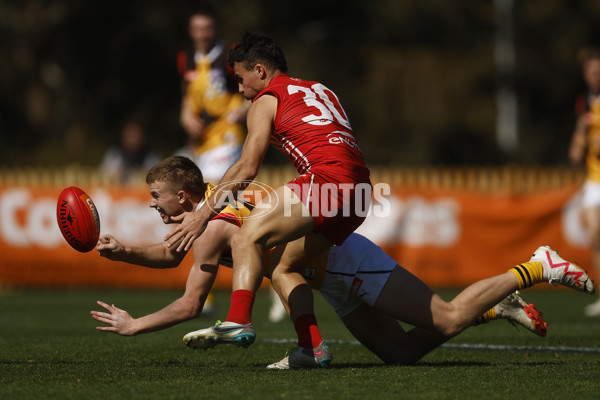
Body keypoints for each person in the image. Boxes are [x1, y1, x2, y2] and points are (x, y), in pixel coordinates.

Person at [89, 156, 594, 369]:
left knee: (445, 317)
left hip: (344, 262)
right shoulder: (214, 212)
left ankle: (536, 266)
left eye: (157, 196)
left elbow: (191, 304)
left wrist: (136, 325)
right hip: (327, 271)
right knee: (400, 355)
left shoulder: (210, 226)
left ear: (183, 195)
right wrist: (124, 251)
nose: (153, 204)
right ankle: (496, 307)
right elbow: (169, 253)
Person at [164, 31, 372, 362]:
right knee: (281, 266)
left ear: (260, 71)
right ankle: (312, 347)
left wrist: (203, 216)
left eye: (241, 79)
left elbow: (247, 168)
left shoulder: (265, 99)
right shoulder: (318, 88)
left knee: (247, 237)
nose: (240, 89)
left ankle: (238, 320)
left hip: (326, 180)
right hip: (361, 192)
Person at [176, 6, 248, 184]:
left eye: (208, 28)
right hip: (201, 140)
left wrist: (244, 109)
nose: (203, 34)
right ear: (191, 31)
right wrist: (185, 115)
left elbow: (253, 87)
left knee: (210, 189)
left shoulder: (230, 55)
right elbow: (186, 91)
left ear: (216, 28)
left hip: (227, 135)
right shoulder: (186, 58)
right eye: (198, 29)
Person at [568, 48, 600, 317]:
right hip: (594, 180)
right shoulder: (585, 102)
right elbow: (576, 153)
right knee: (595, 237)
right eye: (591, 71)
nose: (595, 76)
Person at [100, 118, 160, 184]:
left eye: (136, 134)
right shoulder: (114, 154)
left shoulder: (151, 157)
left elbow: (159, 179)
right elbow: (103, 176)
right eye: (130, 134)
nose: (133, 138)